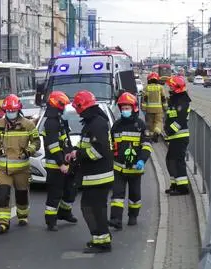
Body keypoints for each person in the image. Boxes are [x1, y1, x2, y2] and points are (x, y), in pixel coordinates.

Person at [66, 90, 114, 253]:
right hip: (94, 176)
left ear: (82, 106)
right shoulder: (93, 122)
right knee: (92, 208)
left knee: (92, 208)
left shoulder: (96, 123)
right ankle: (100, 239)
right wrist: (75, 151)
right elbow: (89, 146)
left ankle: (102, 241)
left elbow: (98, 151)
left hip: (98, 176)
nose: (77, 111)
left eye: (78, 108)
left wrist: (78, 154)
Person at [0, 94, 41, 234]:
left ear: (18, 110)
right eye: (8, 111)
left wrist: (28, 151)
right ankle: (3, 223)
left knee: (21, 194)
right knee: (3, 194)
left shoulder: (28, 125)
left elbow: (36, 142)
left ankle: (22, 216)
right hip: (3, 169)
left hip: (21, 168)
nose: (10, 113)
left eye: (13, 111)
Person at [109, 92, 152, 230]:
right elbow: (111, 144)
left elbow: (146, 145)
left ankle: (133, 215)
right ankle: (116, 219)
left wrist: (141, 160)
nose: (124, 110)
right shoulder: (116, 126)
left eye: (127, 107)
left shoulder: (140, 125)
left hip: (135, 168)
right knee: (117, 195)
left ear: (134, 108)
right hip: (119, 168)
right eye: (122, 108)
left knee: (135, 195)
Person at [42, 91, 78, 231]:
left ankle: (65, 213)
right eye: (63, 105)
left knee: (70, 190)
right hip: (56, 165)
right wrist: (61, 163)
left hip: (66, 161)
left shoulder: (59, 120)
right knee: (55, 193)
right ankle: (51, 221)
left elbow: (65, 141)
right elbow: (53, 146)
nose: (65, 108)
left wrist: (72, 152)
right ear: (57, 105)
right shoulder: (51, 123)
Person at [164, 76, 191, 196]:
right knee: (170, 160)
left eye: (171, 86)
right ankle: (175, 184)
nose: (169, 88)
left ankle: (182, 188)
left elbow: (180, 120)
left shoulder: (183, 101)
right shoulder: (175, 99)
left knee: (178, 161)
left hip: (179, 136)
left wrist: (169, 131)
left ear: (176, 88)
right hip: (174, 137)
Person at [141, 72, 167, 142]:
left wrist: (143, 109)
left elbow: (144, 99)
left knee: (150, 123)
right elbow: (163, 98)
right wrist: (165, 108)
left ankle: (152, 137)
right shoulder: (160, 87)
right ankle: (157, 133)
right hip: (159, 110)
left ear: (149, 80)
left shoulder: (146, 88)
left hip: (149, 110)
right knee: (158, 122)